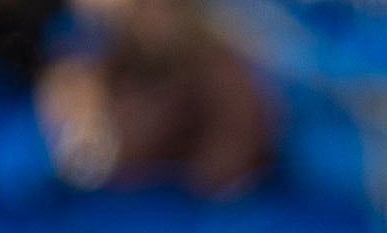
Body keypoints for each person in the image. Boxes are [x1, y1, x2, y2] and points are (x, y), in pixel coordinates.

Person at [38, 0, 276, 195]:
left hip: (200, 217)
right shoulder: (87, 65)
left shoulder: (221, 70)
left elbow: (226, 171)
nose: (152, 18)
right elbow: (82, 162)